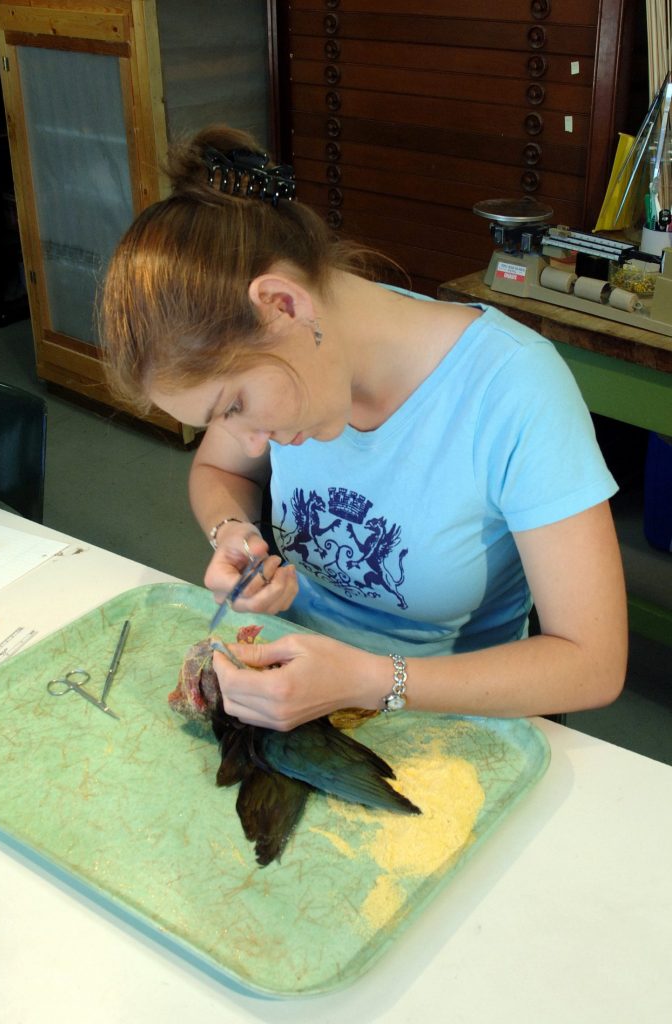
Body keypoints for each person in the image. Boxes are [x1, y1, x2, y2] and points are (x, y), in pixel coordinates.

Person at [101, 124, 628, 731]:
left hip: (452, 720)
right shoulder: (290, 370)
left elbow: (593, 662)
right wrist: (232, 533)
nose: (248, 443)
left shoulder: (512, 389)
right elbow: (219, 470)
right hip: (297, 694)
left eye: (235, 405)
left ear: (284, 306)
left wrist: (368, 679)